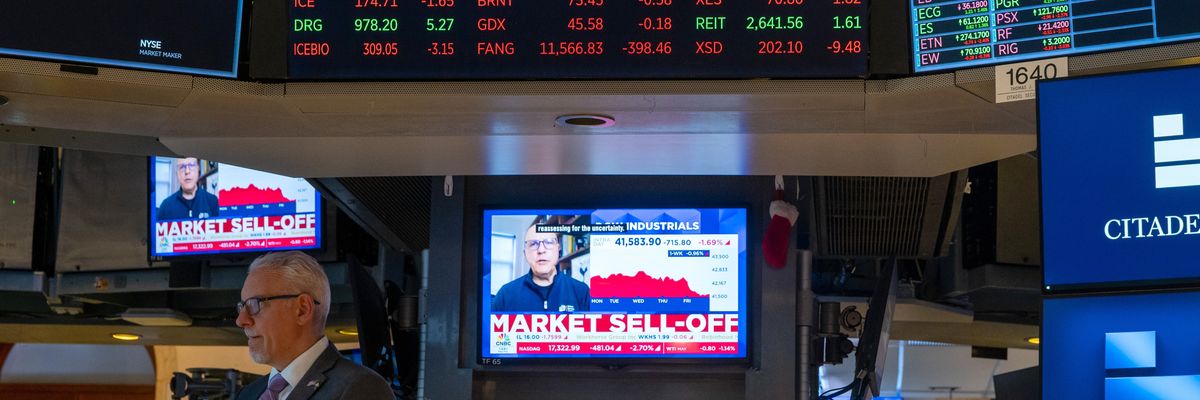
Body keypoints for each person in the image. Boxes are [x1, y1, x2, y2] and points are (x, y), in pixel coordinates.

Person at [235, 251, 393, 400]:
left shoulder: (361, 388)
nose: (241, 320)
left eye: (254, 304)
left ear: (303, 309)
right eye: (242, 306)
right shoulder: (250, 393)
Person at [491, 223, 591, 312]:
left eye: (548, 242)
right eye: (533, 244)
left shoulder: (582, 292)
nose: (541, 250)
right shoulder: (506, 294)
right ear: (525, 253)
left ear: (558, 250)